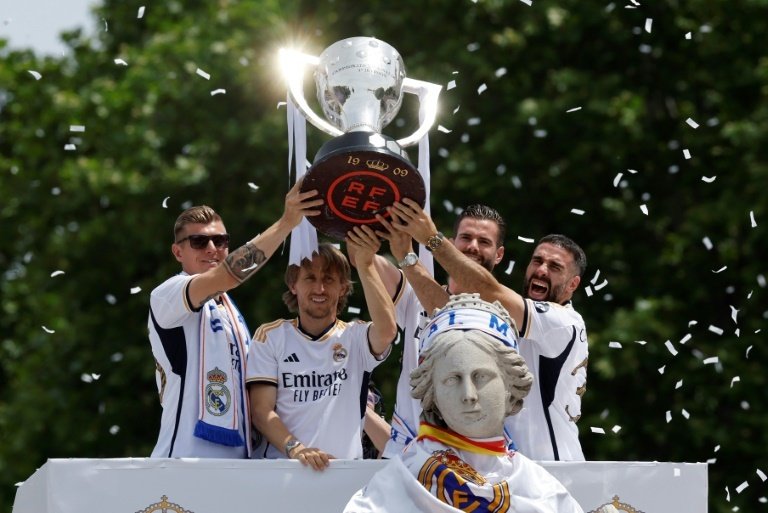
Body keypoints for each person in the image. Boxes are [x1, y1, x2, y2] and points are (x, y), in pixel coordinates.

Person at [386, 199, 589, 461]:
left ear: (573, 284)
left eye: (555, 267)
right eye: (537, 260)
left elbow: (488, 290)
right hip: (511, 468)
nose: (541, 270)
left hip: (553, 467)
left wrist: (432, 239)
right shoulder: (518, 315)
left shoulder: (562, 322)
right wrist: (405, 256)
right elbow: (450, 310)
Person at [344, 294, 584, 513]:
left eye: (481, 377)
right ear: (432, 391)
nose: (469, 394)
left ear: (510, 385)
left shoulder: (546, 494)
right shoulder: (388, 492)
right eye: (452, 379)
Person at [147, 180, 323, 458]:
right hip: (184, 458)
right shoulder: (167, 294)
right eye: (199, 241)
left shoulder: (229, 310)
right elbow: (229, 275)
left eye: (220, 240)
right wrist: (287, 222)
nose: (212, 248)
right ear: (178, 252)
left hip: (240, 463)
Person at [352, 204, 508, 458]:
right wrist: (372, 211)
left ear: (499, 254)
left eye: (484, 242)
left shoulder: (503, 311)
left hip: (470, 460)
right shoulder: (414, 297)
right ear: (451, 243)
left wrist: (408, 256)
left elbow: (456, 318)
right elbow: (359, 255)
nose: (473, 247)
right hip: (407, 453)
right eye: (466, 238)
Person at [246, 228, 397, 471]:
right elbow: (260, 411)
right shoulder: (271, 336)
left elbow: (388, 331)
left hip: (344, 474)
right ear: (293, 285)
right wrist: (297, 449)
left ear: (343, 288)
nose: (320, 289)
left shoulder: (355, 336)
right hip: (281, 472)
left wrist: (365, 264)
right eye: (310, 278)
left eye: (329, 279)